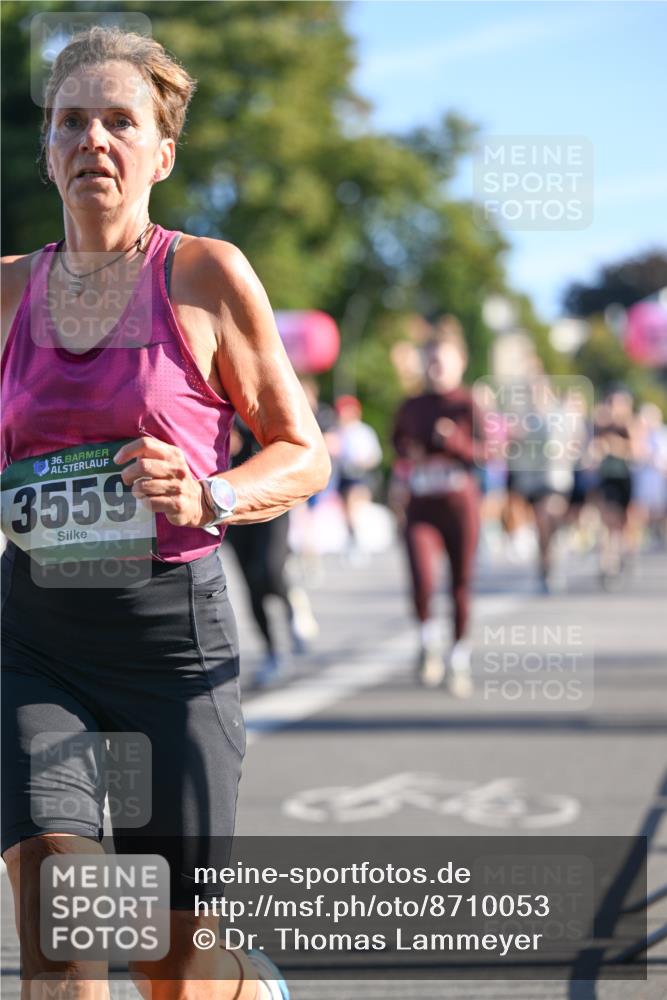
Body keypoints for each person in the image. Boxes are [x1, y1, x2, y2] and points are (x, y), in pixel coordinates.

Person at [1, 26, 330, 1000]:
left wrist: (210, 492)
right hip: (35, 638)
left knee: (173, 970)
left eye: (119, 120)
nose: (93, 139)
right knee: (62, 931)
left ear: (161, 150)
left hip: (170, 639)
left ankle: (245, 985)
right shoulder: (9, 289)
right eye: (71, 121)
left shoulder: (205, 277)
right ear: (47, 148)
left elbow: (301, 449)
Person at [391, 316, 484, 696]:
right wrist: (409, 452)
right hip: (422, 504)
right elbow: (397, 443)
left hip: (460, 505)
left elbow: (488, 453)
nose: (436, 369)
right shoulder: (412, 405)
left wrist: (455, 443)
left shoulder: (469, 405)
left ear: (460, 362)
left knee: (460, 583)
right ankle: (428, 642)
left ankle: (458, 658)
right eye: (431, 361)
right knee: (422, 578)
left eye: (443, 361)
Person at [224, 416, 319, 686]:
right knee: (251, 583)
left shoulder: (259, 390)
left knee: (270, 568)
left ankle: (292, 605)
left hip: (269, 497)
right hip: (231, 502)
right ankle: (273, 653)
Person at [332, 394, 382, 562]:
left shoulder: (363, 432)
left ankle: (360, 542)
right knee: (346, 511)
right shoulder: (337, 432)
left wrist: (359, 461)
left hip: (361, 476)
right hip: (344, 477)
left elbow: (374, 457)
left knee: (355, 506)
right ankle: (352, 540)